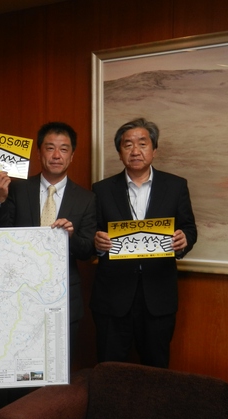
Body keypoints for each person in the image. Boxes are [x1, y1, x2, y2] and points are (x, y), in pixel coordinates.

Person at [90, 118, 197, 368]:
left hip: (158, 295)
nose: (135, 151)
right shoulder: (102, 190)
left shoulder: (176, 186)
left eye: (142, 143)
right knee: (109, 370)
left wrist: (183, 240)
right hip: (113, 296)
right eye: (128, 145)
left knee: (156, 369)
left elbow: (189, 228)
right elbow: (92, 232)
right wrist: (97, 243)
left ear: (154, 149)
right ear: (119, 152)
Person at [0, 121, 97, 362]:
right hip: (19, 295)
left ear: (72, 155)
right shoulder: (17, 189)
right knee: (20, 366)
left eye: (63, 149)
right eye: (50, 148)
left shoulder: (86, 199)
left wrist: (70, 237)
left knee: (60, 367)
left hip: (64, 298)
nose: (56, 155)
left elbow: (88, 251)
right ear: (39, 153)